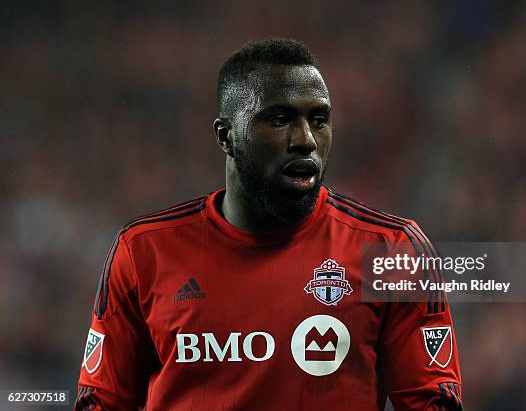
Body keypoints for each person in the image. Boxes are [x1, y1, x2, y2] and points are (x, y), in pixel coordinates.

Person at [75, 38, 462, 411]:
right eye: (279, 119)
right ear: (226, 136)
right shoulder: (143, 251)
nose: (306, 140)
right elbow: (101, 401)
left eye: (319, 119)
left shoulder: (392, 249)